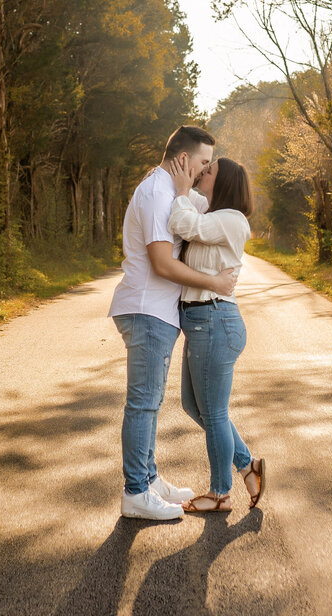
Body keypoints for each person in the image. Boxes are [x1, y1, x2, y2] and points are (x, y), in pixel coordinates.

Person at [109, 126, 239, 521]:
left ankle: (148, 479)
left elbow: (211, 212)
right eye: (201, 163)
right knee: (144, 404)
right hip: (147, 310)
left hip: (159, 314)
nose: (203, 172)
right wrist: (214, 282)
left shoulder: (173, 191)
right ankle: (135, 493)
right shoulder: (155, 192)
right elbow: (162, 263)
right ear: (183, 159)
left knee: (150, 403)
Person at [168, 157, 264, 513]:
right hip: (201, 323)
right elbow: (190, 215)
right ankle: (247, 465)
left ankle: (220, 493)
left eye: (209, 172)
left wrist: (179, 190)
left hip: (214, 321)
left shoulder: (232, 220)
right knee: (196, 407)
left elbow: (183, 223)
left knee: (215, 412)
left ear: (223, 184)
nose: (202, 174)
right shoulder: (215, 216)